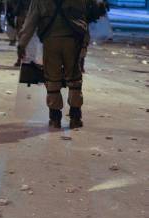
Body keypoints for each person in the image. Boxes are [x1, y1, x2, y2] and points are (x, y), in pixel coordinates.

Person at [18, 0, 104, 129]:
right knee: (74, 77)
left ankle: (55, 118)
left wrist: (22, 44)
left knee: (52, 78)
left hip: (51, 40)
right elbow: (93, 11)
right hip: (73, 39)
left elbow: (31, 22)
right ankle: (75, 117)